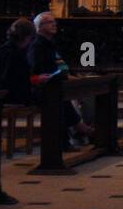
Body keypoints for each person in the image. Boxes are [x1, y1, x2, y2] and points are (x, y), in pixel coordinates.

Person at [28, 11, 94, 148]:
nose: (54, 24)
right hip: (47, 87)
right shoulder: (37, 46)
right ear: (39, 27)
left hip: (60, 83)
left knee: (91, 92)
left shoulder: (51, 44)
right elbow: (44, 71)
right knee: (66, 97)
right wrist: (69, 78)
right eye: (49, 22)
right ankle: (81, 130)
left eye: (54, 22)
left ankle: (83, 129)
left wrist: (74, 76)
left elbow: (62, 65)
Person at [0, 17, 34, 105]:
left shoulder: (4, 49)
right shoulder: (12, 53)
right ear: (27, 37)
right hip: (11, 96)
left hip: (3, 93)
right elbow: (14, 79)